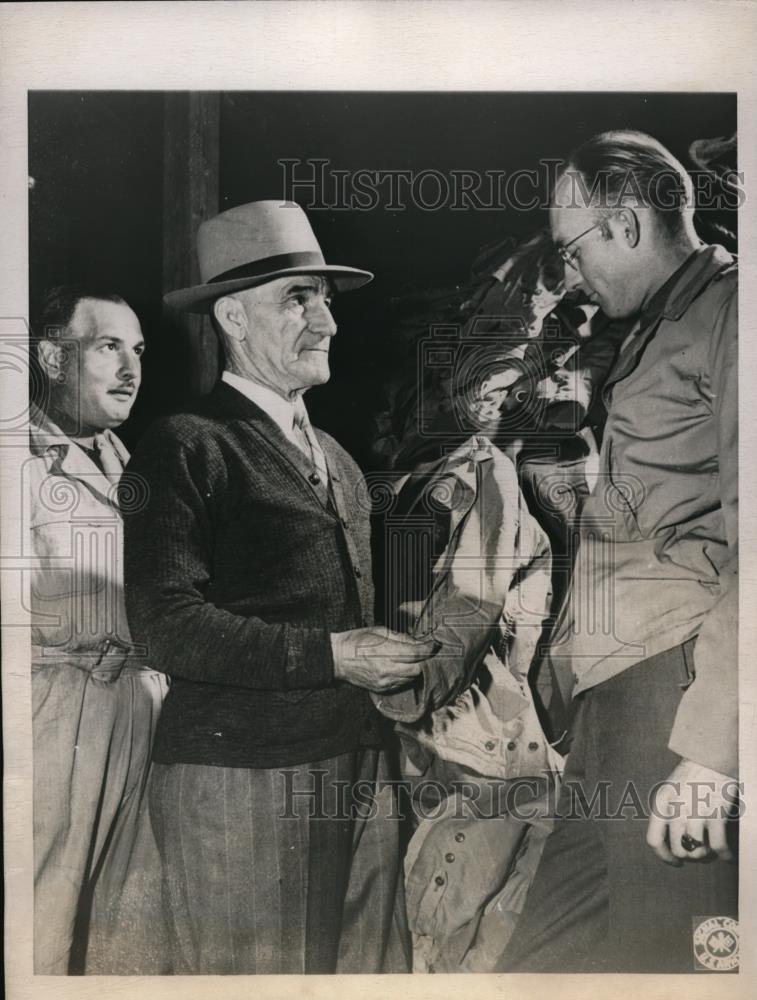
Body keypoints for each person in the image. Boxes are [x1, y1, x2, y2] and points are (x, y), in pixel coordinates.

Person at [122, 200, 437, 975]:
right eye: (297, 298)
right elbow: (164, 625)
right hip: (242, 779)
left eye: (324, 299)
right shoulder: (185, 445)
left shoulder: (334, 453)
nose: (325, 321)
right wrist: (334, 655)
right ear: (231, 314)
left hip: (358, 766)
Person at [496, 131, 739, 973]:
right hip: (617, 692)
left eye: (573, 248)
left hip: (676, 691)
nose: (571, 274)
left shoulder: (733, 313)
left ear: (627, 225)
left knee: (669, 958)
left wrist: (711, 753)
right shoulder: (659, 324)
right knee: (540, 965)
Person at [28, 286, 168, 974]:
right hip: (51, 716)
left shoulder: (136, 465)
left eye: (138, 350)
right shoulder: (14, 462)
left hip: (140, 705)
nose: (131, 369)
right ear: (54, 358)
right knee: (38, 925)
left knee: (130, 929)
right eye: (109, 347)